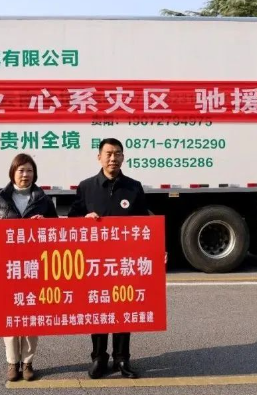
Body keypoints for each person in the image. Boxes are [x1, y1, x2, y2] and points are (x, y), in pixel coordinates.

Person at [68, 138, 149, 379]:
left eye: (117, 154)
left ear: (123, 157)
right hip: (95, 262)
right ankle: (99, 357)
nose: (113, 158)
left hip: (125, 261)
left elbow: (145, 224)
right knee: (99, 307)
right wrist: (83, 219)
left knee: (124, 307)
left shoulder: (134, 187)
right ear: (99, 157)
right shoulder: (86, 187)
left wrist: (155, 252)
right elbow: (71, 219)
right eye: (108, 153)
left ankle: (122, 359)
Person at [0, 153, 58, 382]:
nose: (25, 175)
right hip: (8, 268)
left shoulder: (43, 200)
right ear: (12, 172)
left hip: (35, 266)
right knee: (10, 315)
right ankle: (13, 363)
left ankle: (28, 362)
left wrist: (46, 225)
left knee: (31, 314)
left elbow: (57, 231)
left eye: (30, 170)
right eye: (21, 170)